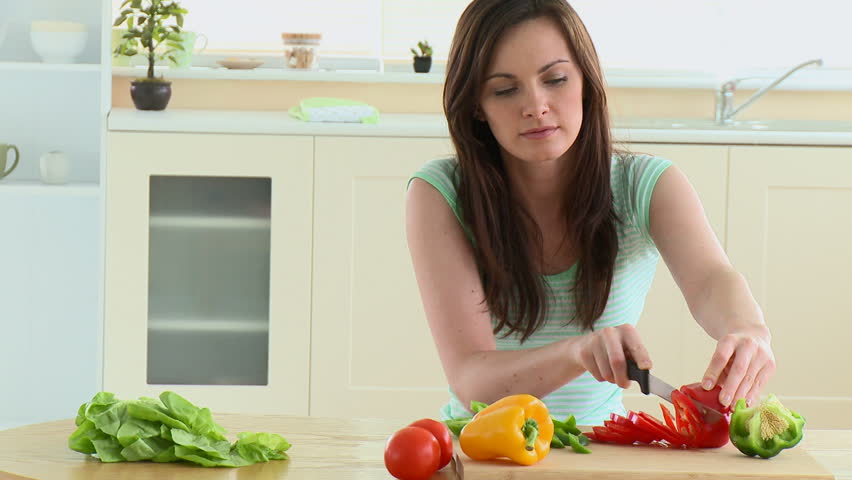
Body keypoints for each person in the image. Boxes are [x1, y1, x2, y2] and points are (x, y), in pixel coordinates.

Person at [404, 0, 775, 425]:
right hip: (482, 450)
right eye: (505, 89)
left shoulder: (648, 184)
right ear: (476, 107)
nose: (536, 105)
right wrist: (576, 351)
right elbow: (471, 381)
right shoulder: (439, 192)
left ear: (586, 81)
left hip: (598, 450)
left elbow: (712, 279)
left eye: (556, 79)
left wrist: (748, 328)